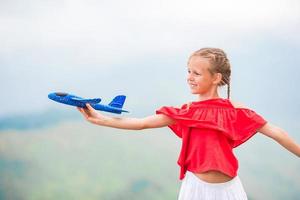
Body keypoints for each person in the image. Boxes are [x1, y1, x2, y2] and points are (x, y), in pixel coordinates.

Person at [77, 47, 300, 200]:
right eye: (188, 71)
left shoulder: (236, 111)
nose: (189, 77)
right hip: (195, 189)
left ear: (216, 78)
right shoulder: (186, 112)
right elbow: (143, 123)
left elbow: (276, 132)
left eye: (197, 73)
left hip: (229, 191)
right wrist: (102, 119)